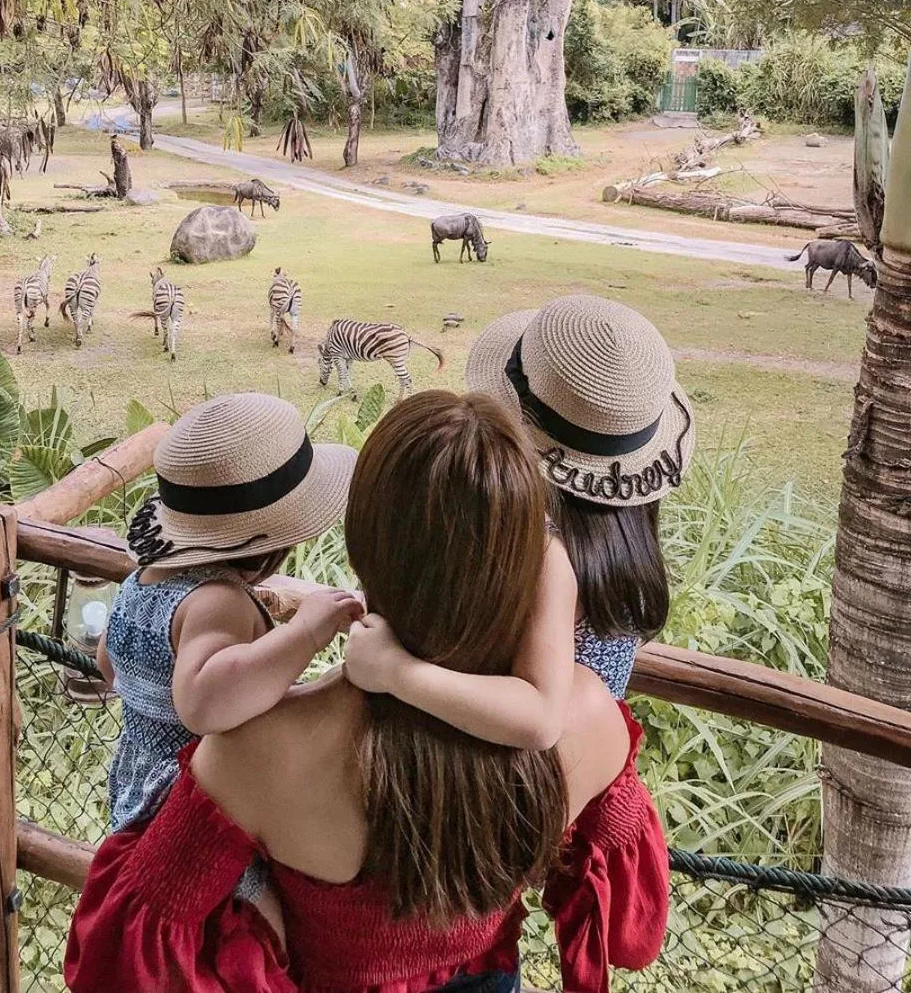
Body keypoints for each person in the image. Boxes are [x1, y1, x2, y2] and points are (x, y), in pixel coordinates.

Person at [66, 391, 669, 993]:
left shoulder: (255, 749)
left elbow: (128, 948)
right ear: (534, 570)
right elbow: (631, 934)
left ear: (362, 546)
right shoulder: (590, 716)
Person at [346, 295, 694, 741]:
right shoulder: (625, 538)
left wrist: (394, 670)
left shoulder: (543, 552)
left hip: (518, 767)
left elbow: (539, 721)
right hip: (592, 753)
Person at [97, 392, 362, 932]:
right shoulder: (216, 601)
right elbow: (202, 703)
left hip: (133, 783)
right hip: (195, 808)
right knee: (271, 928)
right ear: (273, 544)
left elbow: (110, 664)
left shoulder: (140, 581)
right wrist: (305, 632)